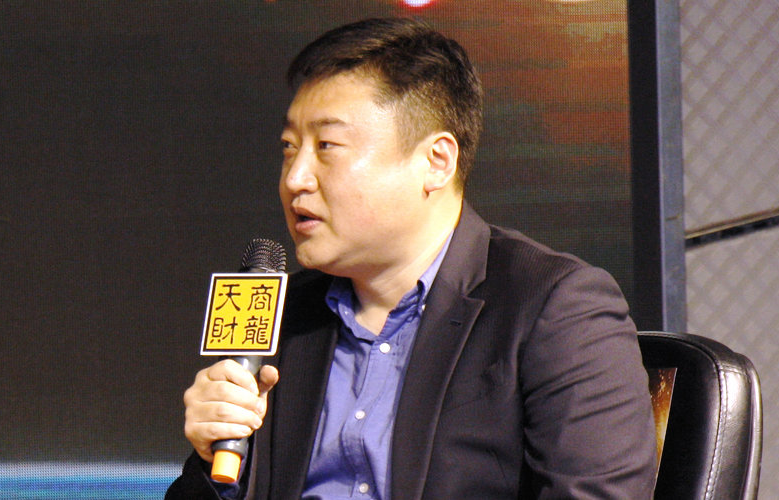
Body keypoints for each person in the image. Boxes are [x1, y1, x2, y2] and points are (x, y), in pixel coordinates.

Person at [167, 17, 657, 500]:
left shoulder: (555, 306)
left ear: (436, 162)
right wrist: (213, 463)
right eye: (289, 149)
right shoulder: (284, 316)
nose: (295, 178)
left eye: (327, 146)